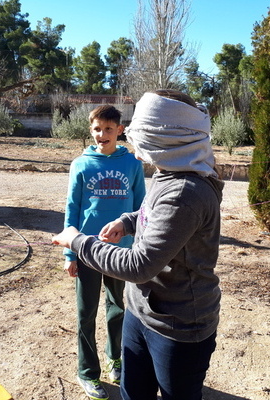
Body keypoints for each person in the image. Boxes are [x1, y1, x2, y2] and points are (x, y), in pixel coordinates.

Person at [53, 89, 224, 400]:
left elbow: (138, 265)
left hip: (177, 327)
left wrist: (78, 242)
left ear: (166, 136)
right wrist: (128, 221)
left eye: (141, 134)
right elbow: (151, 210)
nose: (133, 142)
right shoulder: (172, 171)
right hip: (142, 312)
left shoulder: (186, 191)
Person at [61, 104, 146, 400]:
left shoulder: (132, 165)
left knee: (118, 309)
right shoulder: (81, 165)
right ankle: (87, 372)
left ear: (119, 131)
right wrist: (70, 254)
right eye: (97, 129)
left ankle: (116, 359)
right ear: (91, 130)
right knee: (86, 313)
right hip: (86, 252)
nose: (102, 134)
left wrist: (140, 246)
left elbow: (141, 210)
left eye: (108, 129)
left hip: (120, 254)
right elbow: (72, 208)